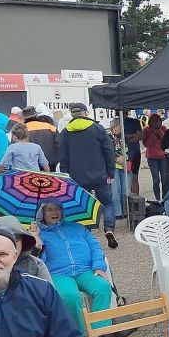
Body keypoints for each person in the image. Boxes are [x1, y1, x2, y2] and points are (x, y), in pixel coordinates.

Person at [35, 201, 116, 337]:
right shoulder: (38, 234)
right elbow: (39, 262)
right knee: (69, 295)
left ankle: (100, 332)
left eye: (57, 208)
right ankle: (84, 336)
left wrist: (98, 266)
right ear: (41, 214)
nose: (54, 212)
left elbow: (95, 247)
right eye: (49, 210)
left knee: (103, 287)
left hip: (85, 270)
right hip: (58, 273)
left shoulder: (77, 227)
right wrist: (37, 243)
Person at [58, 103, 118, 248]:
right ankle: (109, 229)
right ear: (85, 112)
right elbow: (108, 151)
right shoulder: (98, 129)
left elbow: (63, 157)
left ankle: (87, 235)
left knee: (83, 206)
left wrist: (66, 175)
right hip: (100, 175)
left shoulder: (65, 132)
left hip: (77, 177)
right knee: (108, 203)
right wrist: (111, 172)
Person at [142, 113, 169, 201]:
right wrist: (153, 135)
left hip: (163, 157)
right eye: (154, 121)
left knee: (164, 179)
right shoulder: (146, 130)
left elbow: (166, 141)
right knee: (156, 180)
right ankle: (157, 199)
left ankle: (165, 197)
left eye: (158, 120)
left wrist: (159, 132)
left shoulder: (163, 128)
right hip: (152, 157)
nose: (156, 123)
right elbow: (146, 144)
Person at [24, 106, 60, 171]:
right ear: (36, 116)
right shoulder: (50, 127)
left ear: (24, 118)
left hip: (29, 166)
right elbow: (59, 145)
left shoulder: (21, 129)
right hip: (50, 165)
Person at [107, 119, 127, 219]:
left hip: (125, 166)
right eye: (120, 127)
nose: (122, 129)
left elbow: (130, 148)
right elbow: (107, 151)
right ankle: (117, 213)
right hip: (113, 167)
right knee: (115, 190)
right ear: (114, 127)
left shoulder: (124, 137)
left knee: (125, 190)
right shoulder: (108, 137)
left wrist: (127, 158)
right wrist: (116, 158)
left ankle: (126, 211)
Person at [122, 112, 144, 194]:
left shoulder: (134, 121)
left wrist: (127, 137)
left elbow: (141, 136)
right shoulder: (115, 122)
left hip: (134, 153)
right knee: (123, 179)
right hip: (122, 154)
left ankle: (136, 202)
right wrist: (132, 136)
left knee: (134, 177)